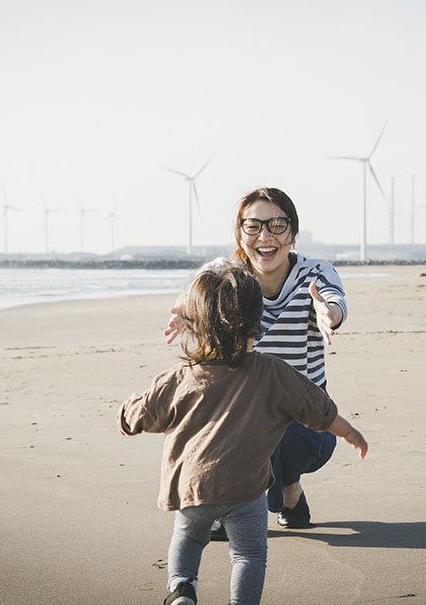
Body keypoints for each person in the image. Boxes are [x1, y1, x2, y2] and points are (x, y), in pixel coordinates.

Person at [120, 264, 368, 605]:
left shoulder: (180, 377)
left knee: (189, 538)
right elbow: (317, 407)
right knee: (249, 555)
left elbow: (144, 412)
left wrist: (126, 418)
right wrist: (349, 431)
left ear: (195, 326)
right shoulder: (272, 372)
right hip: (247, 491)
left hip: (192, 488)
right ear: (256, 327)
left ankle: (181, 590)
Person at [163, 187, 349, 531]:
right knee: (215, 424)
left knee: (286, 432)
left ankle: (270, 493)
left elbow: (333, 300)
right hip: (240, 420)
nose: (266, 236)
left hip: (307, 428)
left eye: (278, 225)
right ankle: (270, 497)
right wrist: (186, 310)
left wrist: (328, 313)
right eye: (254, 226)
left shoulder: (315, 272)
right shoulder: (227, 276)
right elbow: (195, 291)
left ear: (292, 233)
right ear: (240, 233)